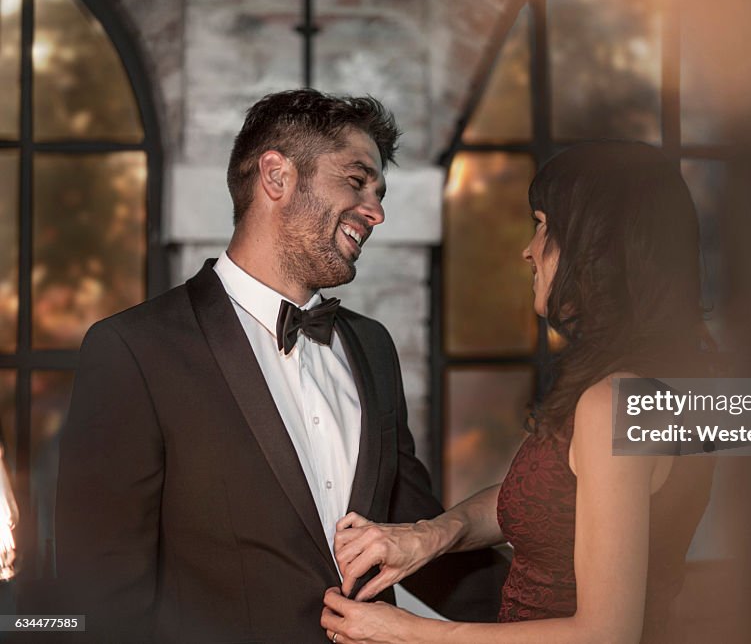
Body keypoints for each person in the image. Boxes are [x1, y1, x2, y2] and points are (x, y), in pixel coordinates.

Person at [55, 90, 507, 643]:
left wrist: (566, 618)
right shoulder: (134, 348)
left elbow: (418, 536)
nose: (377, 211)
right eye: (357, 180)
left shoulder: (374, 348)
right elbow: (99, 588)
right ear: (276, 176)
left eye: (379, 192)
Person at [323, 141, 716, 643]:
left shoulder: (611, 403)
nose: (529, 248)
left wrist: (411, 632)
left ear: (593, 245)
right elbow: (554, 497)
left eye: (543, 223)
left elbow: (605, 635)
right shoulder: (670, 383)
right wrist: (431, 536)